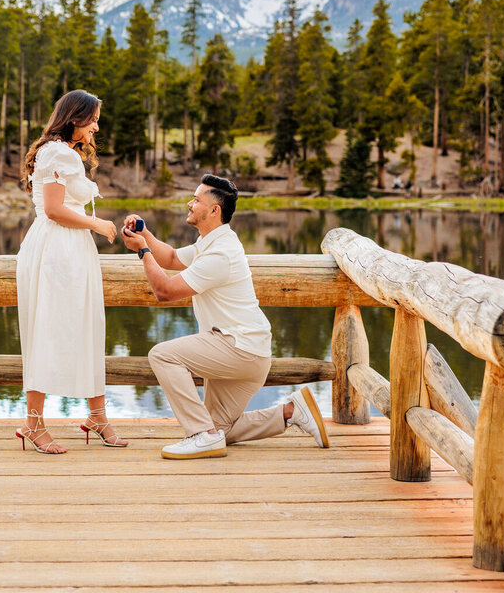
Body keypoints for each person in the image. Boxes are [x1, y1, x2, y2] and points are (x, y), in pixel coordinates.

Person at [121, 174, 330, 459]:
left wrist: (143, 251)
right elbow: (169, 258)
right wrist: (144, 235)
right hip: (246, 350)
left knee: (163, 355)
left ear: (213, 210)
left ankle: (199, 435)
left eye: (196, 199)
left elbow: (165, 291)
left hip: (238, 347)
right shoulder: (212, 242)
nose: (189, 203)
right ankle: (291, 412)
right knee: (221, 430)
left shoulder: (219, 254)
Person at [16, 90, 126, 454]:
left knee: (88, 327)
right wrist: (97, 223)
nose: (96, 127)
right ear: (75, 118)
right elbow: (53, 208)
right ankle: (33, 424)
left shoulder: (58, 152)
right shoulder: (60, 153)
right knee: (48, 331)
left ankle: (98, 417)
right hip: (57, 250)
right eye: (93, 119)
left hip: (67, 249)